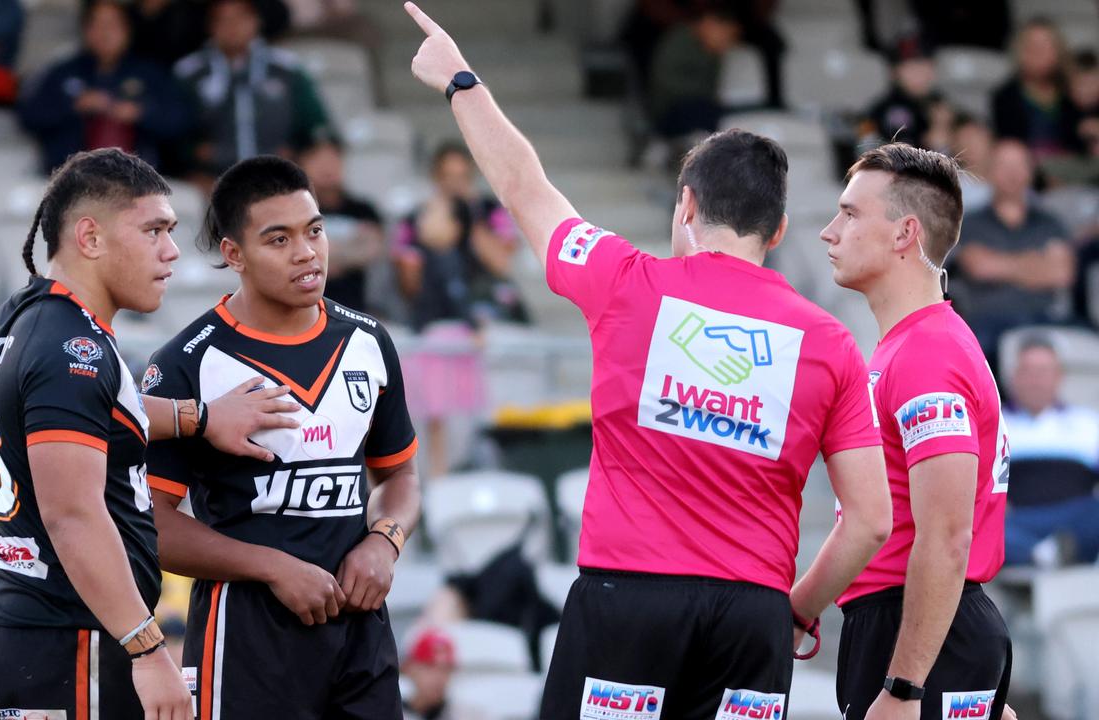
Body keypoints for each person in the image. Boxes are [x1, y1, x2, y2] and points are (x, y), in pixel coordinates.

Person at [404, 6, 893, 718]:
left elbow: (525, 188)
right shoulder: (831, 342)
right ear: (780, 228)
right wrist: (797, 608)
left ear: (686, 204)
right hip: (752, 618)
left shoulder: (626, 281)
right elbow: (871, 520)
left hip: (627, 602)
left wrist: (461, 81)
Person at [0, 147, 306, 720]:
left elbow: (90, 413)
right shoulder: (72, 349)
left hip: (26, 632)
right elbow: (71, 515)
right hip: (72, 645)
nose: (172, 251)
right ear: (90, 238)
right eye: (153, 230)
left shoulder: (26, 316)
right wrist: (148, 649)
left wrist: (197, 416)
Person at [141, 155, 421, 719]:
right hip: (245, 635)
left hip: (360, 629)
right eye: (279, 239)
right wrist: (272, 567)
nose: (306, 252)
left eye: (314, 230)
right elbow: (153, 526)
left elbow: (400, 476)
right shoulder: (187, 363)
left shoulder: (369, 341)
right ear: (234, 254)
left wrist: (383, 542)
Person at [820, 142, 1012, 720]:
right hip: (921, 629)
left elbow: (948, 539)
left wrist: (905, 686)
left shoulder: (928, 353)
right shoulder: (915, 345)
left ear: (905, 234)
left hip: (917, 637)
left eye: (850, 214)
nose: (830, 232)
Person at [394, 141, 527, 480]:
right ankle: (440, 478)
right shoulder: (416, 220)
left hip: (491, 315)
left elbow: (501, 263)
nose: (455, 183)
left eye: (462, 176)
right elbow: (410, 287)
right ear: (435, 178)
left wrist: (470, 220)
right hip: (441, 324)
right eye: (447, 177)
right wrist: (434, 237)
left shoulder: (487, 210)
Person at [18, 0, 191, 174]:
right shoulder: (64, 71)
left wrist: (140, 112)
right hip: (71, 179)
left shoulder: (150, 74)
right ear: (85, 30)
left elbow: (180, 120)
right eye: (96, 24)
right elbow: (29, 115)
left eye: (112, 25)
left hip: (138, 180)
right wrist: (74, 105)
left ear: (128, 30)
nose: (104, 33)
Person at [173, 0, 332, 186]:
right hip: (212, 181)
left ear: (257, 20)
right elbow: (173, 134)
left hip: (279, 177)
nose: (232, 26)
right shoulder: (189, 73)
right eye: (223, 19)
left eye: (241, 17)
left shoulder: (286, 69)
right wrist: (193, 157)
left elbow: (316, 126)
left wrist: (299, 154)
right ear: (210, 25)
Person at [953, 139, 1074, 364]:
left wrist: (1002, 265)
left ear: (1031, 171)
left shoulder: (1050, 222)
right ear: (989, 172)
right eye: (1004, 166)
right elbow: (980, 268)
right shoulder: (971, 222)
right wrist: (1035, 263)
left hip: (1044, 317)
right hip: (990, 319)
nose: (1013, 173)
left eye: (1020, 165)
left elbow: (1061, 274)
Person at [1002, 336, 1099, 567]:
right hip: (1019, 519)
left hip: (1076, 517)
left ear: (1059, 377)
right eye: (1028, 371)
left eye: (1043, 371)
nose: (1035, 381)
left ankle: (1041, 554)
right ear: (1014, 377)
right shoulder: (996, 424)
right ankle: (1046, 553)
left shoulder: (1088, 423)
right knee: (985, 527)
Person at [297, 136, 387, 313]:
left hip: (355, 307)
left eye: (332, 158)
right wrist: (349, 251)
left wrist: (319, 259)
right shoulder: (294, 211)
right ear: (302, 163)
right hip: (304, 308)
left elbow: (373, 250)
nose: (326, 166)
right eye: (318, 159)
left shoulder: (363, 210)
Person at [992, 19, 1084, 161]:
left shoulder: (1074, 94)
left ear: (1058, 51)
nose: (1038, 53)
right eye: (1031, 46)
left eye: (1045, 46)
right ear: (1019, 51)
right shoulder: (1005, 97)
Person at [646, 8, 741, 140]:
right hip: (670, 110)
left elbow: (714, 86)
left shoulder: (711, 52)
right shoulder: (679, 41)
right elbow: (667, 80)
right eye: (727, 34)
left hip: (700, 106)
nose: (728, 42)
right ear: (710, 23)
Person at [861, 36, 945, 151]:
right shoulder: (881, 110)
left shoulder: (942, 103)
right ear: (894, 72)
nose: (918, 74)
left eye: (923, 65)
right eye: (909, 68)